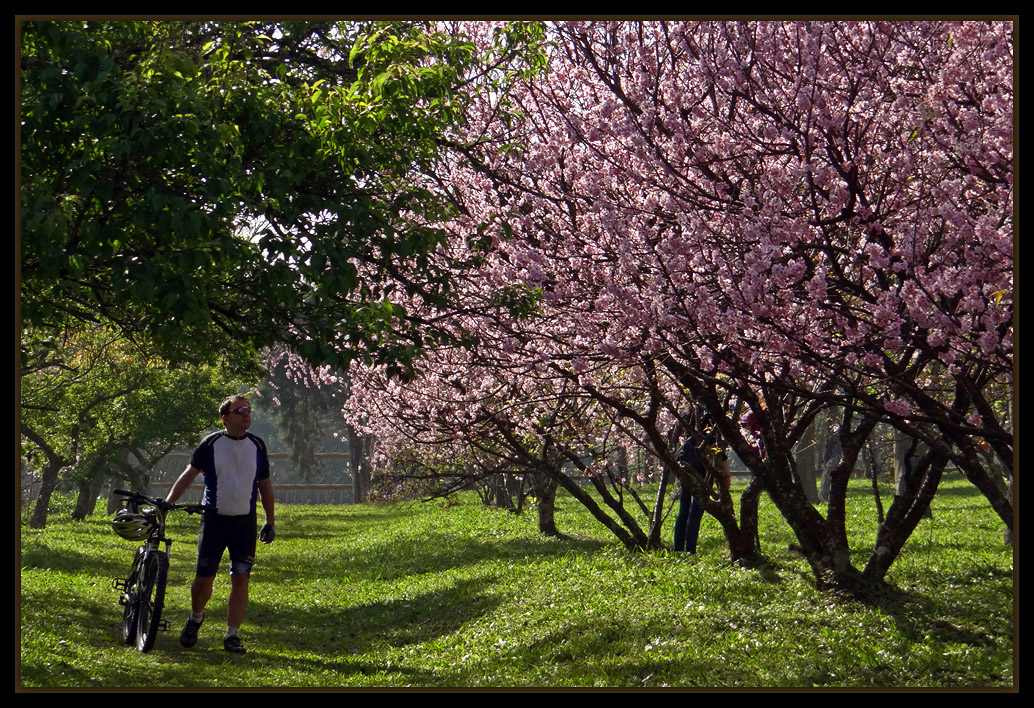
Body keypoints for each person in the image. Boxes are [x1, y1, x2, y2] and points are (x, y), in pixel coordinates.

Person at [165, 395, 276, 654]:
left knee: (241, 578)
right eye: (239, 411)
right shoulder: (211, 444)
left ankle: (232, 635)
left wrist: (270, 521)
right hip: (214, 520)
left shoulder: (257, 445)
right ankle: (195, 617)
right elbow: (188, 475)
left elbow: (265, 485)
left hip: (244, 523)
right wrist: (169, 502)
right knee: (204, 580)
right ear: (225, 418)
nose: (246, 414)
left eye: (248, 410)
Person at [673, 412, 730, 554]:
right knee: (695, 513)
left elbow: (680, 461)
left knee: (683, 512)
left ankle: (678, 548)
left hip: (687, 478)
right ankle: (690, 550)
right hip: (704, 479)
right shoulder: (711, 442)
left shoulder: (689, 442)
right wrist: (727, 477)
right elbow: (721, 460)